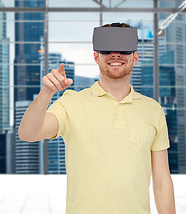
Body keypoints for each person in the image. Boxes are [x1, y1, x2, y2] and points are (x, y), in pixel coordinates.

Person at [19, 23, 176, 214]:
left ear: (135, 57)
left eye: (124, 50)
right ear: (96, 56)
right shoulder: (71, 102)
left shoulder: (153, 110)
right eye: (107, 49)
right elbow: (28, 133)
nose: (116, 55)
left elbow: (161, 181)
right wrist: (47, 92)